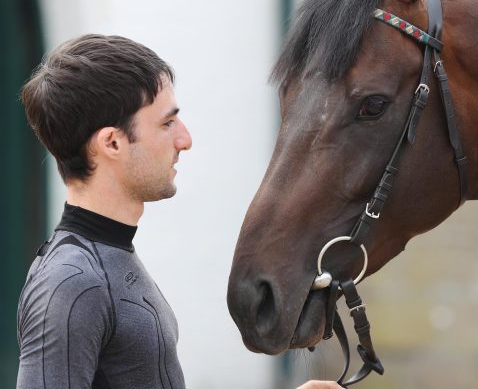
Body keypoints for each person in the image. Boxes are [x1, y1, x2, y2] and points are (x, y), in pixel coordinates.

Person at [16, 34, 339, 389]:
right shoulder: (72, 281)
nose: (185, 139)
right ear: (112, 143)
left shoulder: (106, 258)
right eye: (167, 123)